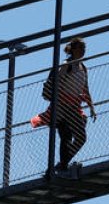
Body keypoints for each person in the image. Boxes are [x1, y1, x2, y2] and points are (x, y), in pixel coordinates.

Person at [34, 38, 97, 171]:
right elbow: (56, 80)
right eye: (80, 48)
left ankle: (61, 165)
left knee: (71, 137)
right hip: (63, 105)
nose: (83, 51)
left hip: (73, 106)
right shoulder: (66, 65)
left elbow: (85, 88)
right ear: (73, 50)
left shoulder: (83, 68)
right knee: (71, 136)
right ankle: (62, 165)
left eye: (84, 48)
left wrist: (91, 106)